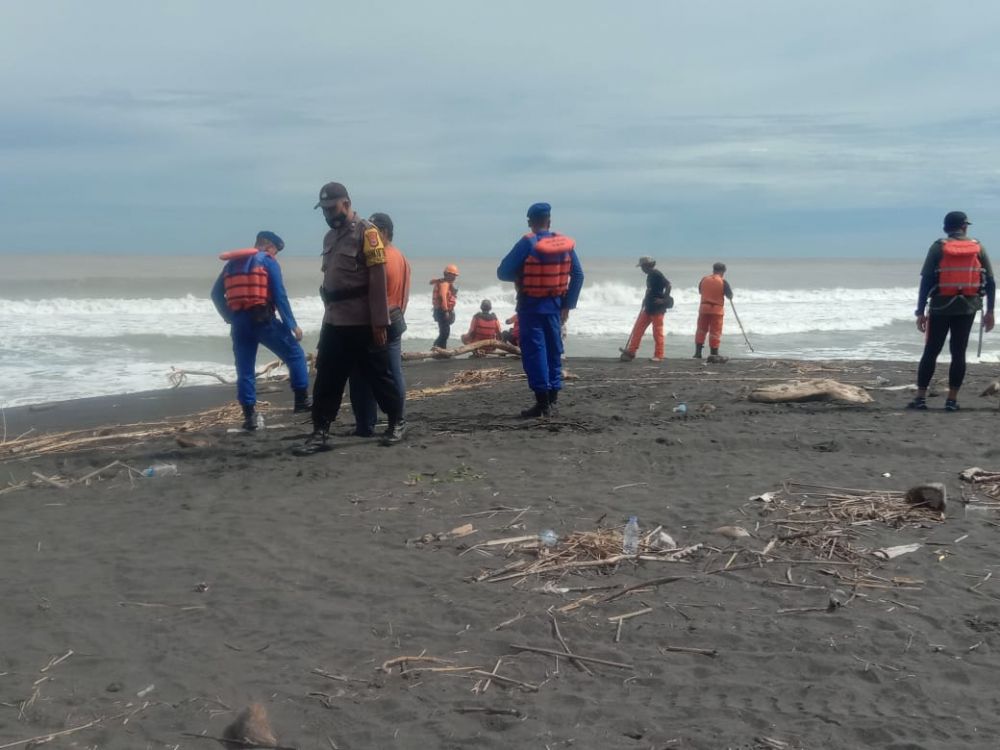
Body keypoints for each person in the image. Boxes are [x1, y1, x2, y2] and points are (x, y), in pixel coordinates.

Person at [296, 182, 406, 454]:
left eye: (331, 208)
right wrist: (325, 323)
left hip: (363, 322)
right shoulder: (329, 238)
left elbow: (378, 280)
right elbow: (329, 284)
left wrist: (380, 322)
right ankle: (320, 431)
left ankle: (396, 422)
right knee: (327, 378)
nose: (327, 214)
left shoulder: (368, 234)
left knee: (379, 377)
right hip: (335, 321)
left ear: (346, 203)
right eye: (323, 210)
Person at [211, 231, 310, 431]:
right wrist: (292, 325)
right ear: (267, 245)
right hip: (263, 320)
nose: (276, 254)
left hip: (239, 323)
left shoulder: (231, 264)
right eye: (275, 250)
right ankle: (301, 403)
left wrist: (229, 317)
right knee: (295, 354)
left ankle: (249, 417)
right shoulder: (267, 261)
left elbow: (215, 294)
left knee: (245, 370)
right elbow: (280, 296)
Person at [497, 202, 584, 417]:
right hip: (555, 307)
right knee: (554, 352)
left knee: (536, 354)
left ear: (530, 222)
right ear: (550, 220)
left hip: (531, 308)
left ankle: (542, 404)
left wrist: (520, 275)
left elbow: (502, 272)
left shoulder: (528, 243)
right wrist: (567, 305)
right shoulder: (564, 244)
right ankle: (553, 400)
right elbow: (579, 275)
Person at [909, 211, 995, 411]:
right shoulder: (978, 247)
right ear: (964, 226)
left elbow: (926, 280)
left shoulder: (938, 247)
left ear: (946, 228)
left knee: (931, 350)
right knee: (959, 352)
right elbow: (990, 281)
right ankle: (951, 401)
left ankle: (920, 399)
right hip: (968, 306)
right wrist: (990, 311)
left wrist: (920, 311)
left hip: (940, 306)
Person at [349, 212, 411, 435]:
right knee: (393, 373)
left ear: (383, 232)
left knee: (362, 375)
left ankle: (367, 424)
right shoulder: (401, 257)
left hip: (379, 321)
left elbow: (376, 293)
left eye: (373, 231)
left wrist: (376, 324)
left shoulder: (381, 256)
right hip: (396, 316)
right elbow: (403, 292)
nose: (368, 236)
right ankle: (398, 418)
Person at [620, 256, 672, 362]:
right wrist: (645, 299)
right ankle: (631, 351)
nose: (642, 269)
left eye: (642, 267)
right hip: (648, 307)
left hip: (657, 308)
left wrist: (664, 299)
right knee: (638, 329)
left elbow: (668, 285)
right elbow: (650, 289)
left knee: (657, 332)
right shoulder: (650, 275)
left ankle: (659, 355)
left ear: (647, 266)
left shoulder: (656, 273)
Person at [694, 262, 734, 360]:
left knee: (701, 330)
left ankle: (698, 353)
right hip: (717, 310)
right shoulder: (723, 282)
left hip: (704, 309)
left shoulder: (704, 280)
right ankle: (714, 353)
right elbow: (730, 296)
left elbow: (700, 291)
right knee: (715, 332)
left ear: (713, 270)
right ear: (723, 271)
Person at [430, 265, 459, 348]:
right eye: (453, 275)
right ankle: (436, 348)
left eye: (455, 275)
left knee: (444, 332)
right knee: (445, 332)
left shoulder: (444, 282)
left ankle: (442, 350)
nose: (454, 277)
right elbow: (443, 297)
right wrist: (446, 311)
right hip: (442, 311)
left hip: (440, 310)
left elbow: (431, 282)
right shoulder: (444, 284)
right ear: (447, 274)